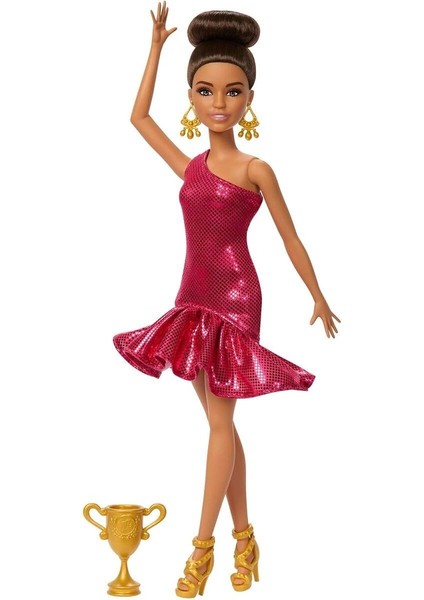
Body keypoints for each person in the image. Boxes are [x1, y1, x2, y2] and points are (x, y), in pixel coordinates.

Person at [113, 3, 340, 597]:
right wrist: (156, 49)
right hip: (192, 295)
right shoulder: (190, 167)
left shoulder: (255, 168)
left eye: (233, 91)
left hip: (237, 298)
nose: (219, 102)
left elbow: (290, 236)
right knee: (221, 426)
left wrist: (317, 294)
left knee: (219, 423)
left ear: (249, 99)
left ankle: (201, 548)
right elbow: (138, 117)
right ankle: (245, 538)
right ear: (191, 96)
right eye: (206, 91)